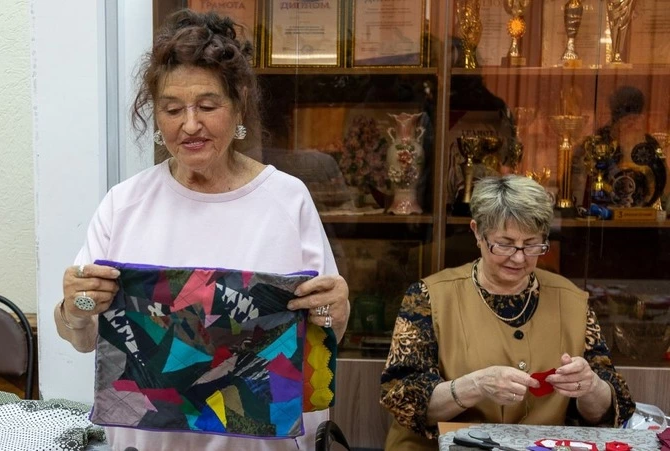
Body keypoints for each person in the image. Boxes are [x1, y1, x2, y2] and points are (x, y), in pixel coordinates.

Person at [52, 10, 350, 451]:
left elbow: (322, 334)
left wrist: (334, 313)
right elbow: (83, 335)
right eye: (173, 109)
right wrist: (75, 307)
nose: (190, 125)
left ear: (239, 104)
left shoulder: (287, 201)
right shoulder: (125, 204)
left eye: (208, 106)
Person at [380, 175, 635, 451]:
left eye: (532, 244)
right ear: (478, 232)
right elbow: (402, 399)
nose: (519, 257)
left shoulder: (573, 301)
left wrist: (591, 387)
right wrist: (476, 385)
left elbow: (610, 410)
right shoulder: (428, 297)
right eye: (505, 243)